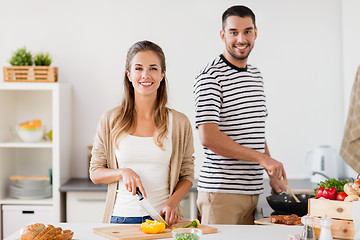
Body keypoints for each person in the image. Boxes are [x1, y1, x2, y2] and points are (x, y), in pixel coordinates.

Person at [193, 5, 288, 225]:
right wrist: (262, 159)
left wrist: (271, 174)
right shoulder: (210, 76)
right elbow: (208, 137)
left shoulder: (255, 75)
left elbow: (255, 131)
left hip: (252, 191)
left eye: (247, 31)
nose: (241, 39)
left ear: (256, 32)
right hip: (222, 193)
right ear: (222, 35)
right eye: (234, 32)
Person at [90, 40, 195, 226]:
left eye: (153, 68)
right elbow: (95, 173)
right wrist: (122, 172)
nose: (145, 75)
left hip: (162, 220)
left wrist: (172, 202)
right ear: (129, 75)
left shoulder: (179, 122)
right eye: (138, 68)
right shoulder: (110, 119)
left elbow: (187, 175)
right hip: (120, 220)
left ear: (162, 74)